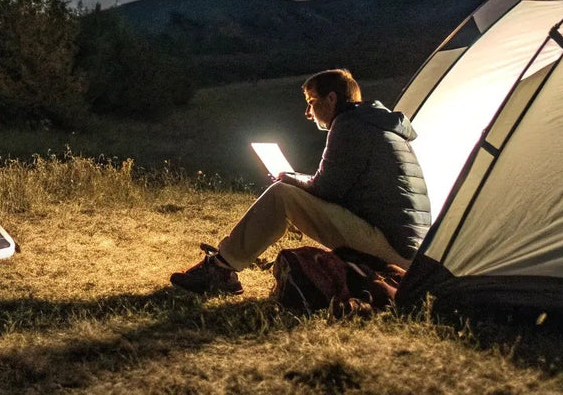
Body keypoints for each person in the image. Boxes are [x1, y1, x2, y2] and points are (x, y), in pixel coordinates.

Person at [170, 68, 430, 295]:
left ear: (331, 99)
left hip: (391, 247)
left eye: (311, 101)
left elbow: (326, 190)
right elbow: (342, 189)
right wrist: (298, 181)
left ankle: (220, 270)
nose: (308, 112)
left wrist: (291, 180)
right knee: (288, 190)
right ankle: (224, 265)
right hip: (409, 250)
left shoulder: (349, 125)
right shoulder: (378, 124)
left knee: (281, 195)